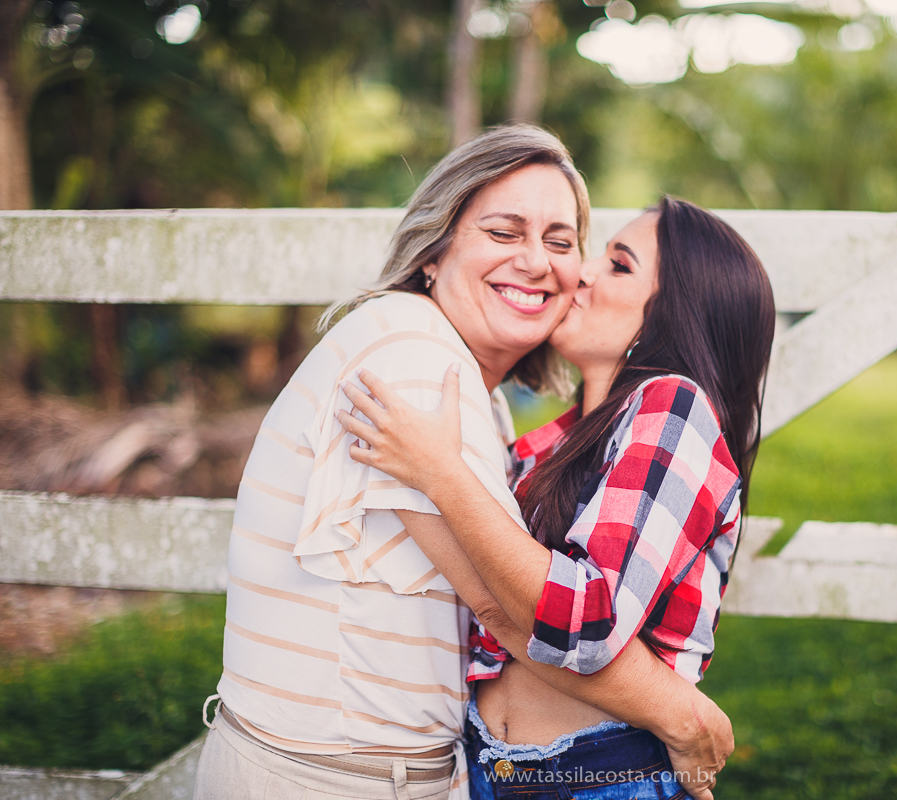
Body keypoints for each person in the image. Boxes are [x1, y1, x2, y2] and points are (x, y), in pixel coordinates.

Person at [193, 127, 734, 800]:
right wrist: (684, 717)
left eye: (562, 242)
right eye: (505, 233)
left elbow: (532, 607)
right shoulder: (413, 360)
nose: (543, 264)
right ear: (435, 248)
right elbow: (505, 610)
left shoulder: (481, 398)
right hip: (327, 782)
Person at [337, 196, 776, 799]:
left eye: (619, 265)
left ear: (676, 313)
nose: (583, 272)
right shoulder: (547, 446)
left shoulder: (674, 408)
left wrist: (440, 474)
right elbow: (489, 598)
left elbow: (589, 622)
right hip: (493, 769)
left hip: (604, 773)